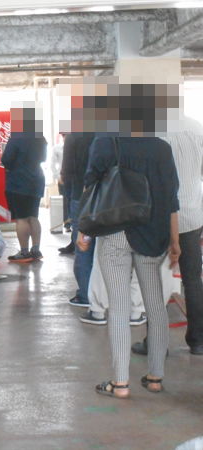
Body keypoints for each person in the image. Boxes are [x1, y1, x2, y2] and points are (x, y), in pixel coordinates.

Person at [77, 136, 180, 398]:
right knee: (155, 305)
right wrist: (175, 240)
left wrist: (83, 231)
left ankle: (120, 383)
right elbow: (171, 197)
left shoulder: (106, 141)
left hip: (115, 230)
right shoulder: (161, 148)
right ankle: (155, 377)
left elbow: (91, 186)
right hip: (152, 233)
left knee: (119, 306)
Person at [132, 116, 203, 356]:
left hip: (160, 216)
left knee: (153, 280)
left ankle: (156, 342)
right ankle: (198, 341)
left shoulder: (152, 134)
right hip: (192, 215)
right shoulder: (197, 128)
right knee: (193, 280)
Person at [1, 133, 47, 262]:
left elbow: (6, 160)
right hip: (37, 180)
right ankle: (36, 250)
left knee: (21, 219)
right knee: (33, 216)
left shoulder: (16, 137)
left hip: (19, 182)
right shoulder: (40, 137)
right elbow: (44, 158)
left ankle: (24, 252)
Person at [63, 134, 95, 306]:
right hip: (108, 199)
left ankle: (85, 295)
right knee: (105, 248)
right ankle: (104, 295)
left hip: (80, 196)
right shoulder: (111, 133)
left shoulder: (74, 136)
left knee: (83, 246)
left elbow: (67, 169)